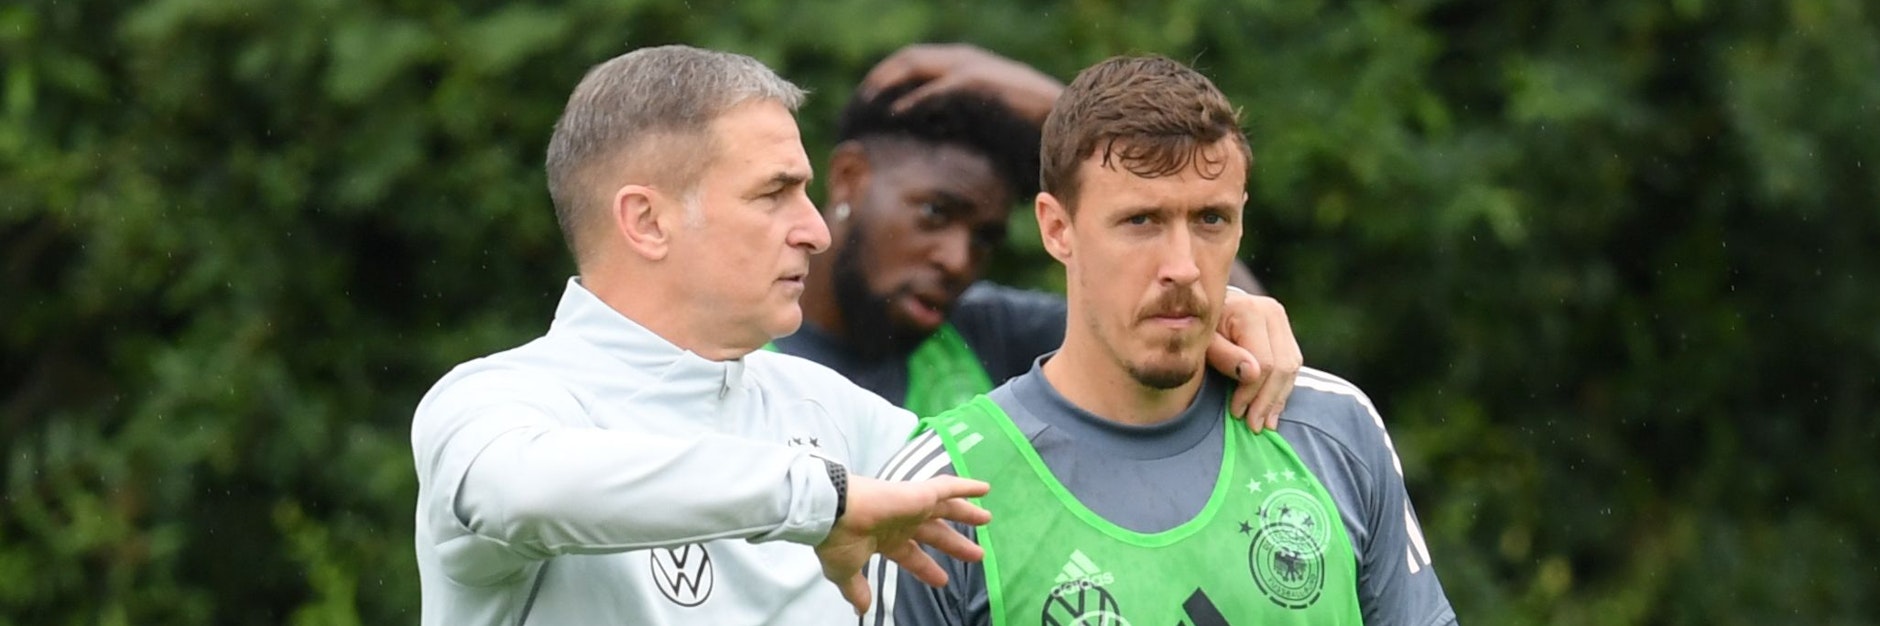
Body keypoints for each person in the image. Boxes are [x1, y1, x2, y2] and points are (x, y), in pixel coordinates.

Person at [411, 45, 995, 626]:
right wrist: (823, 498)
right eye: (773, 194)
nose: (817, 231)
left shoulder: (831, 407)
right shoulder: (494, 400)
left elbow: (1025, 498)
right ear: (647, 222)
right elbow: (525, 491)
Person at [873, 55, 1456, 625]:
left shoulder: (1332, 428)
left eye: (1210, 220)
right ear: (1056, 228)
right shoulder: (942, 490)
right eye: (1141, 221)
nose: (1183, 266)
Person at [776, 44, 1298, 425]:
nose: (957, 259)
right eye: (935, 213)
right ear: (849, 178)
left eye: (984, 238)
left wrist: (1063, 112)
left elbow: (1246, 364)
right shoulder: (744, 348)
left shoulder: (987, 337)